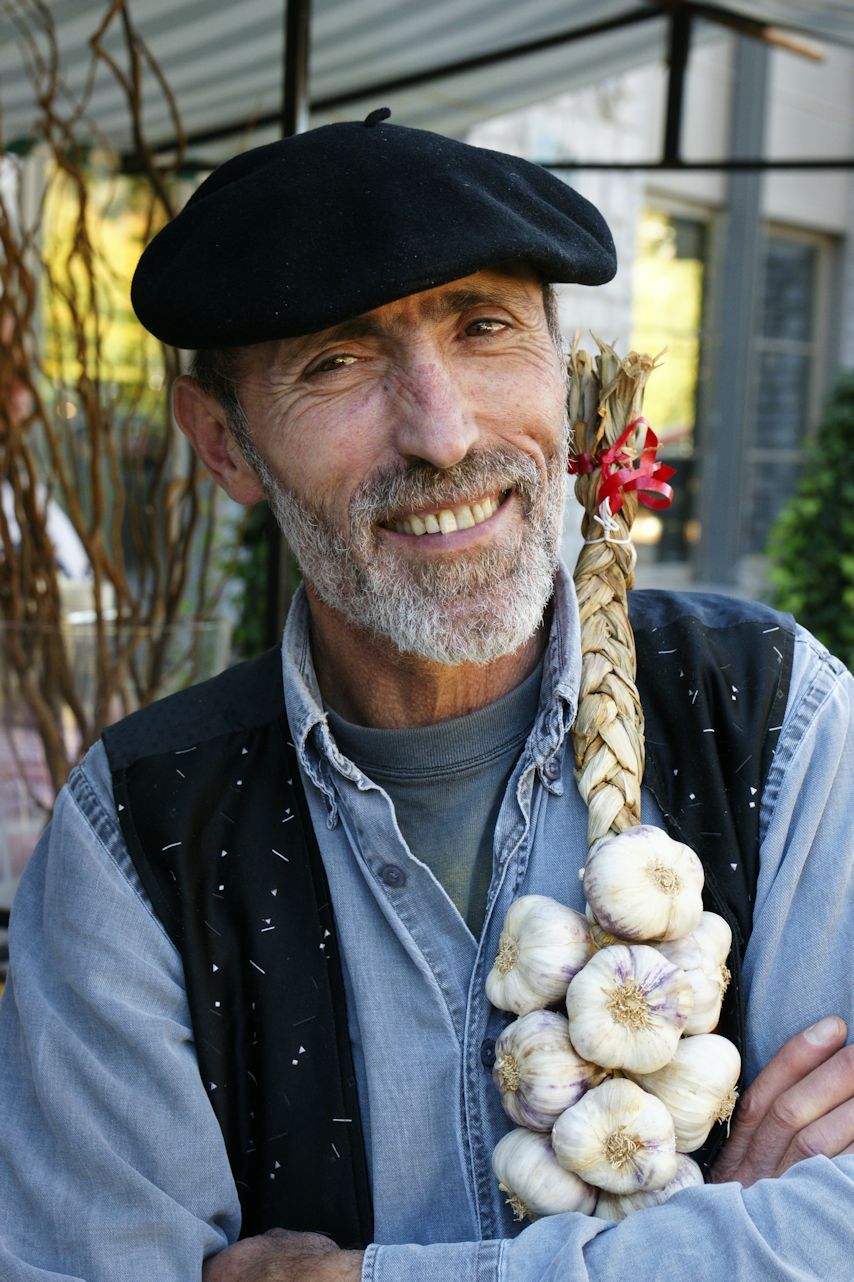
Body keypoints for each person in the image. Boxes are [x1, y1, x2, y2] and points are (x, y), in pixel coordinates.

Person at [0, 113, 851, 1282]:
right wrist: (713, 1246)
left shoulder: (768, 714)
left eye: (485, 327)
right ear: (223, 445)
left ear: (565, 369)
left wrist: (362, 1280)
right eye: (337, 362)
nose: (443, 434)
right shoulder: (136, 834)